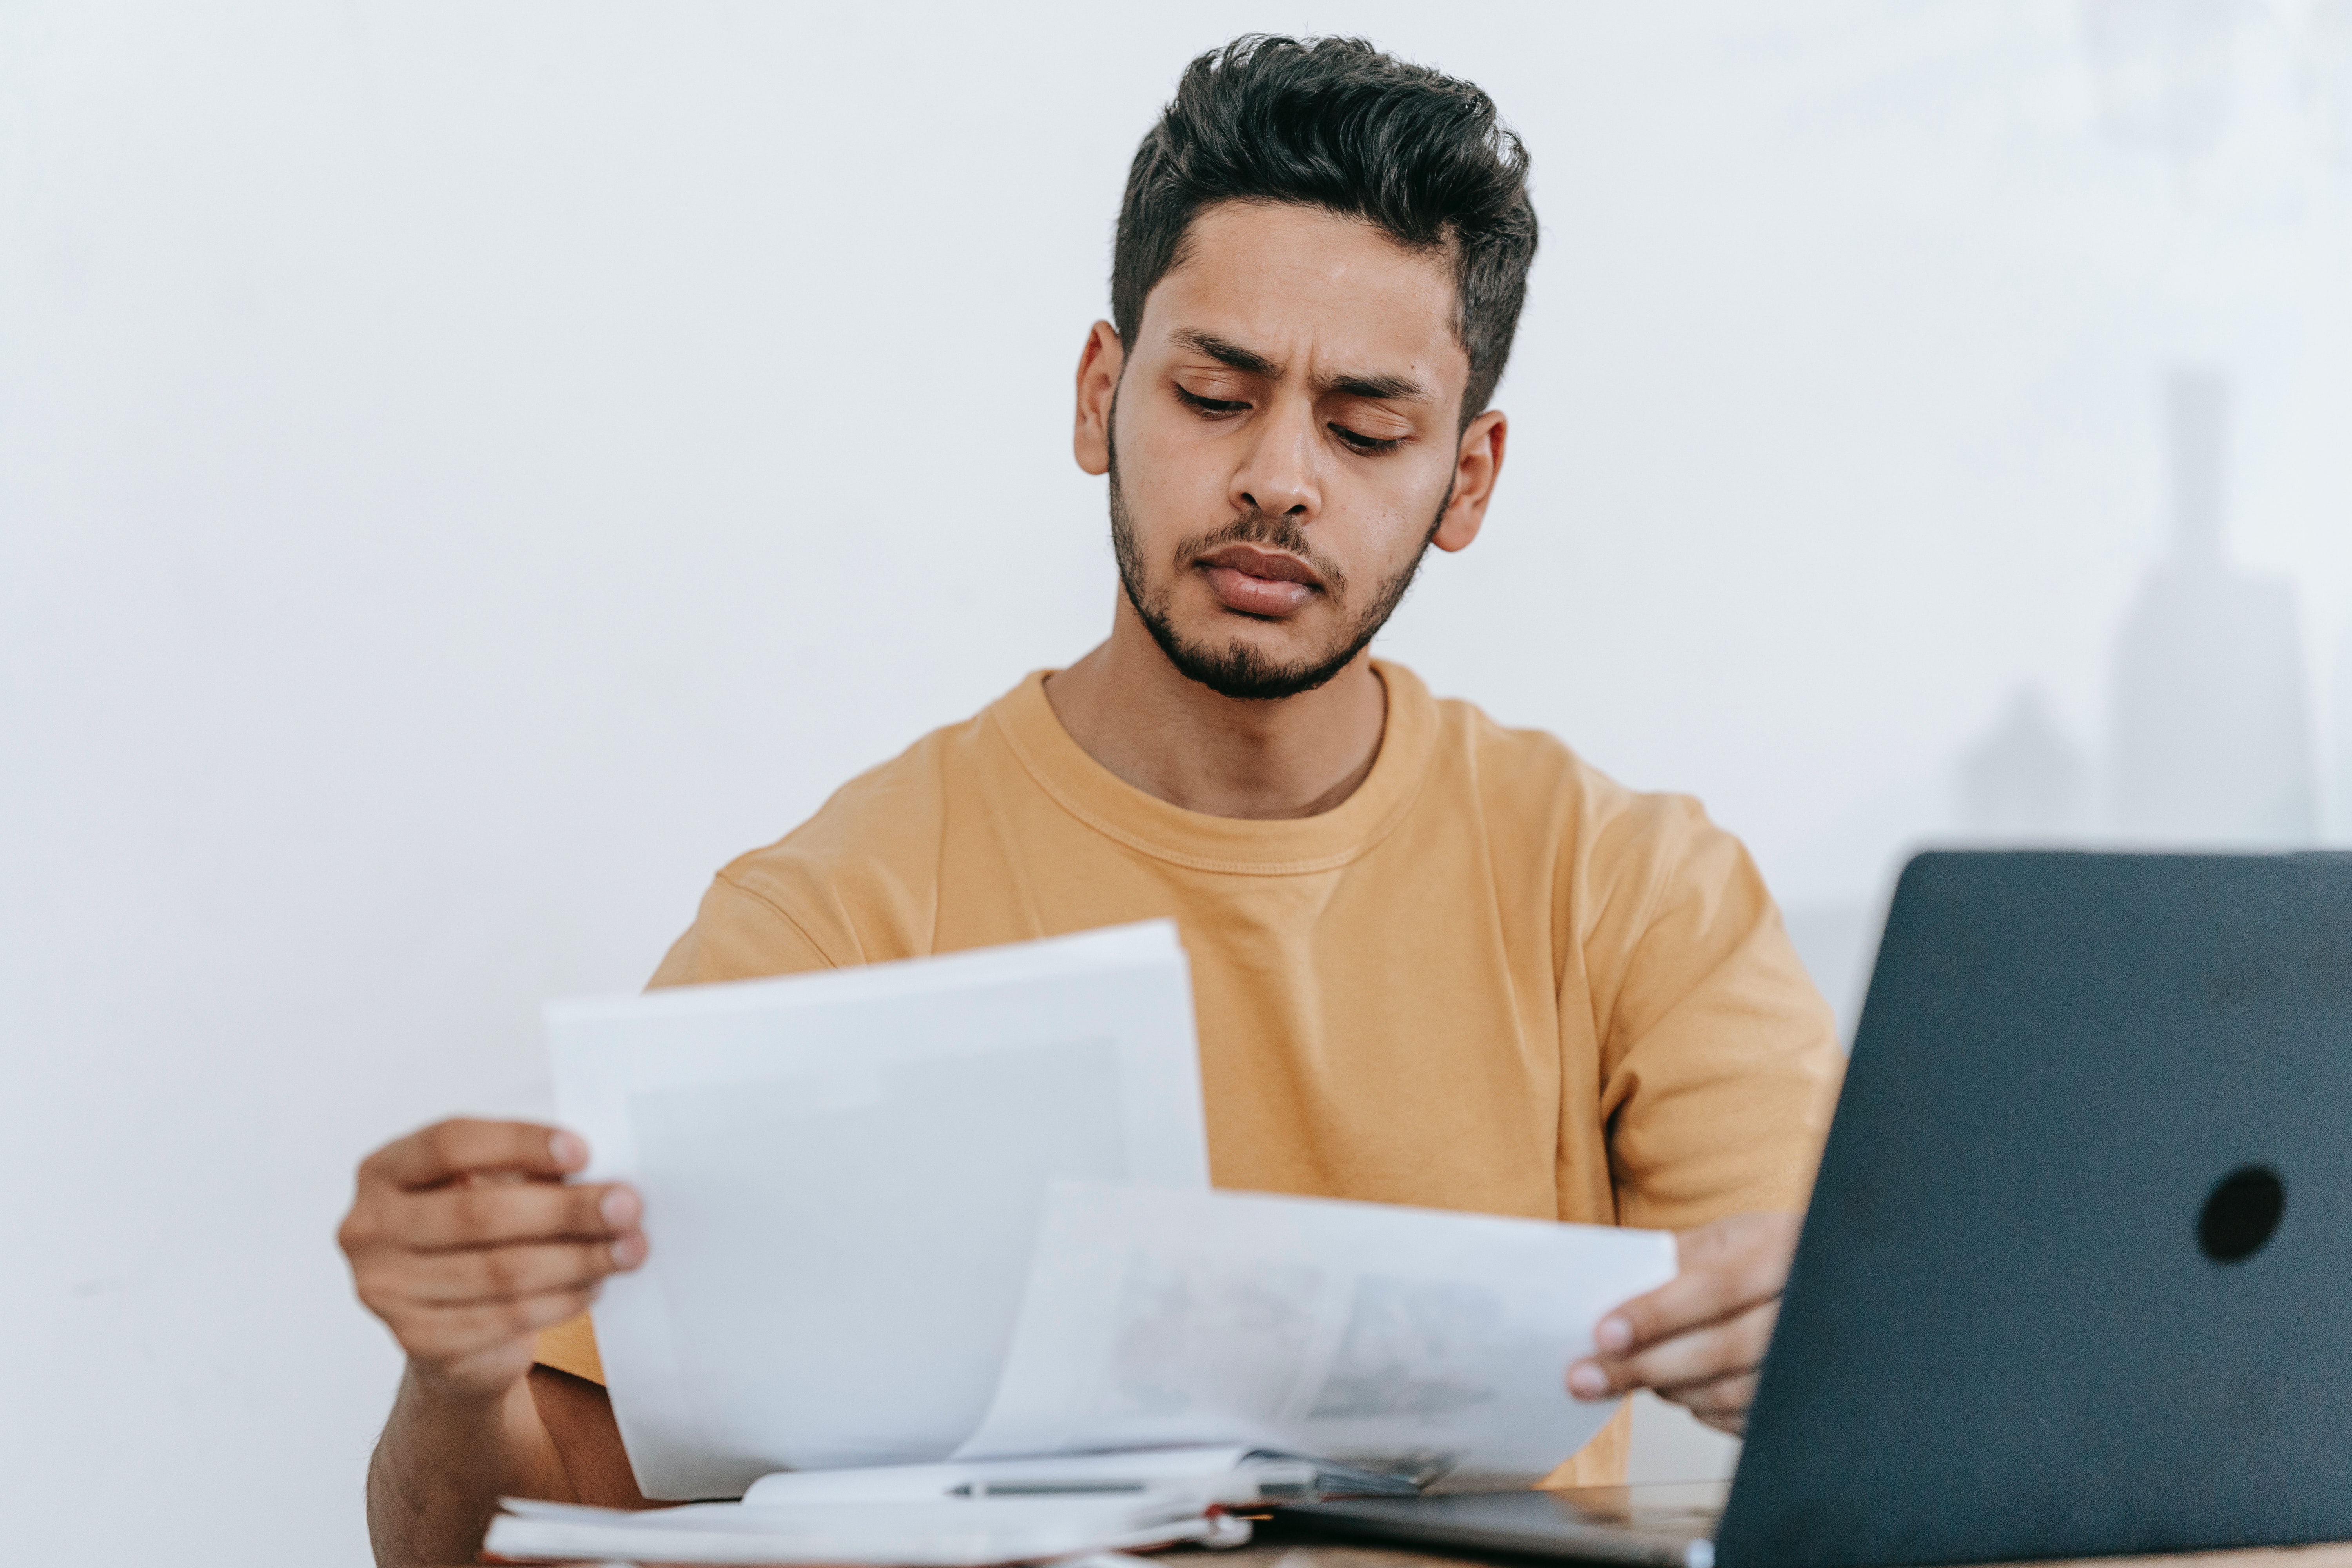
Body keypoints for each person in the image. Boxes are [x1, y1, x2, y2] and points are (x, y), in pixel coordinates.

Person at [336, 35, 1842, 1568]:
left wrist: (1820, 1351)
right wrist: (451, 1377)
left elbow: (1867, 1389)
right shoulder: (852, 907)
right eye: (1214, 393)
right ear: (1100, 397)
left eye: (1367, 428)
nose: (1280, 479)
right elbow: (492, 1538)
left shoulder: (1630, 886)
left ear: (1467, 479)